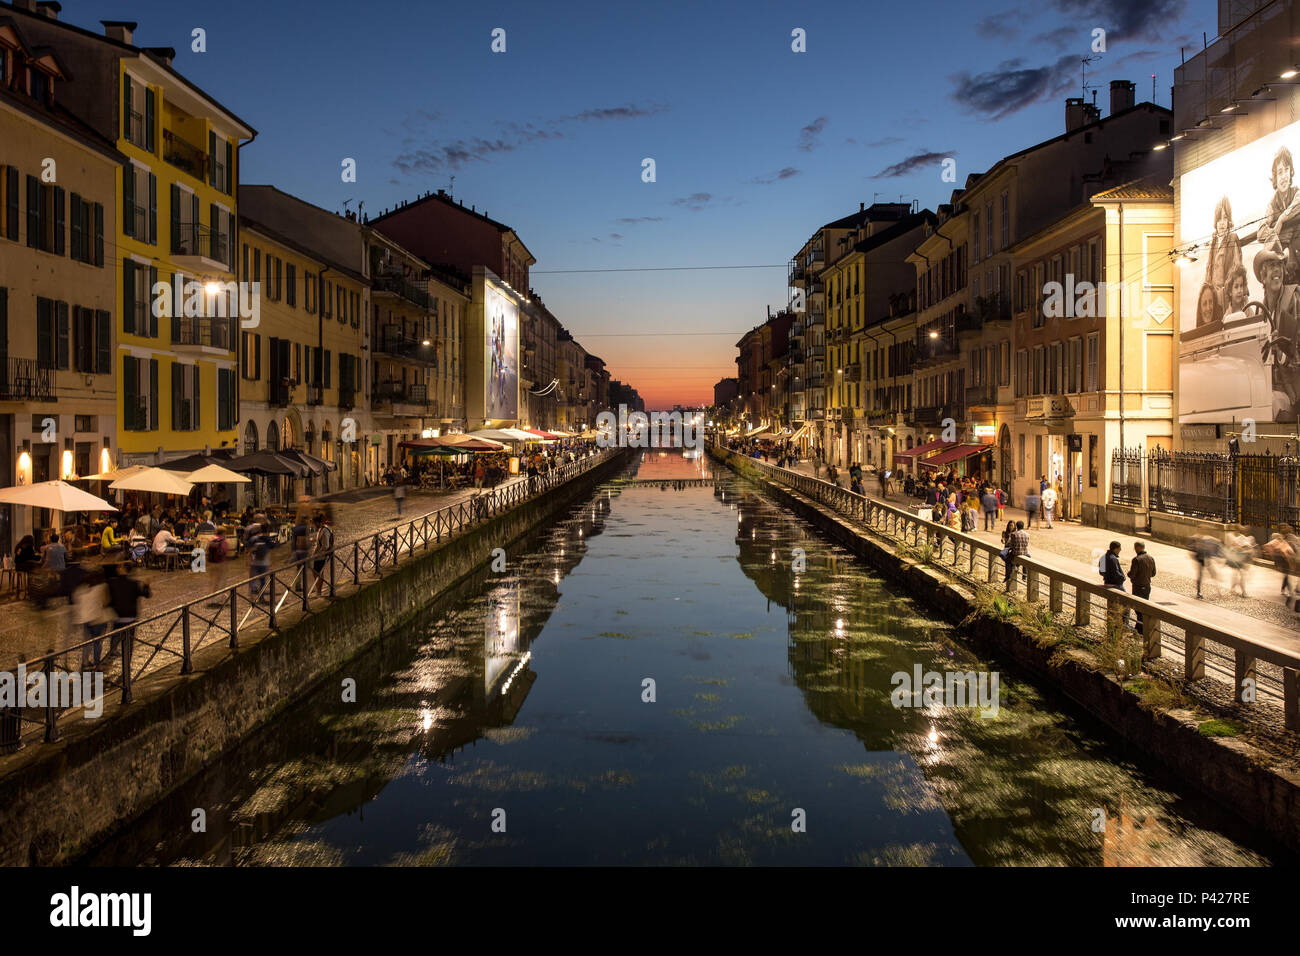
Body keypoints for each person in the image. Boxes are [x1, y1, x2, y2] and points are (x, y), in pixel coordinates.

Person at [104, 561, 150, 664]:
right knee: (129, 643)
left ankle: (112, 653)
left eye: (120, 566)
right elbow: (146, 595)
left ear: (122, 570)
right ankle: (127, 663)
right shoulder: (134, 584)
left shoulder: (112, 583)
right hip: (131, 618)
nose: (117, 567)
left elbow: (108, 601)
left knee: (115, 637)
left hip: (117, 617)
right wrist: (146, 585)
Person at [74, 569, 112, 669]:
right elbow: (106, 601)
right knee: (97, 643)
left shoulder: (81, 589)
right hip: (98, 619)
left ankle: (85, 662)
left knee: (87, 642)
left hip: (86, 620)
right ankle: (96, 663)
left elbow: (77, 602)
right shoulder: (102, 587)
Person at [1127, 542, 1156, 635]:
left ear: (1137, 548)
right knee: (1143, 608)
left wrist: (1129, 574)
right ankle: (1139, 630)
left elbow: (1132, 574)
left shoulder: (1136, 560)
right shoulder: (1151, 558)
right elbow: (1153, 573)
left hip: (1138, 587)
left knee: (1138, 609)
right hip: (1147, 587)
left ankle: (1140, 630)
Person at [1224, 525, 1256, 597]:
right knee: (1241, 575)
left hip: (1241, 559)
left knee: (1238, 574)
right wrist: (1244, 550)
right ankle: (1243, 592)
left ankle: (1234, 588)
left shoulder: (1248, 538)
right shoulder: (1240, 538)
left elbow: (1233, 547)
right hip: (1240, 559)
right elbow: (1234, 547)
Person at [1190, 534, 1221, 600]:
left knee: (1211, 574)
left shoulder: (1209, 541)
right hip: (1201, 560)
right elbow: (1194, 554)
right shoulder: (1202, 544)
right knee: (1202, 576)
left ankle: (1218, 591)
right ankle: (1199, 592)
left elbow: (1210, 555)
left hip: (1204, 560)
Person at [310, 513, 334, 597]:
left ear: (318, 522)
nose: (313, 525)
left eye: (313, 523)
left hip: (321, 556)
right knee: (316, 573)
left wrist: (318, 554)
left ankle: (319, 592)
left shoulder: (324, 531)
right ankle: (318, 590)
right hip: (318, 556)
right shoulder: (321, 530)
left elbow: (325, 546)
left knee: (318, 573)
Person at [1003, 520, 1030, 590]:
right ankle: (1024, 575)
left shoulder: (1014, 534)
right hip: (1024, 553)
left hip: (1016, 553)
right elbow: (1026, 544)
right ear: (1023, 527)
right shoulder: (1027, 534)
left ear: (1016, 527)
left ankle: (1007, 575)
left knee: (1007, 560)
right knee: (1027, 560)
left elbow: (1012, 545)